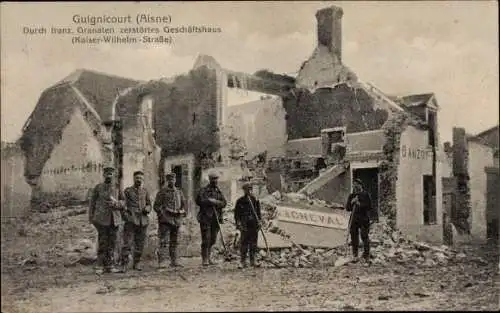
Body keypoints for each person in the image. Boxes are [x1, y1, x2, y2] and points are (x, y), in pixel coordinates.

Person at [89, 166, 125, 274]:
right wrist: (91, 218)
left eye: (111, 174)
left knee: (112, 243)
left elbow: (123, 202)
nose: (109, 176)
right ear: (103, 175)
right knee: (103, 242)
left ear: (114, 175)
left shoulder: (118, 188)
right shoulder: (98, 188)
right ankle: (100, 266)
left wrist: (117, 204)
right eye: (107, 174)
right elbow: (92, 204)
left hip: (114, 220)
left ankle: (110, 265)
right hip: (102, 219)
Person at [120, 171, 152, 272]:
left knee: (140, 243)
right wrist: (126, 216)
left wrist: (148, 208)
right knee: (128, 243)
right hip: (131, 220)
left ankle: (136, 263)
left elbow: (149, 204)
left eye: (140, 178)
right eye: (137, 178)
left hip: (143, 221)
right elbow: (122, 205)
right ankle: (124, 264)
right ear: (134, 179)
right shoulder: (128, 191)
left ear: (143, 180)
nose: (139, 180)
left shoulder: (145, 191)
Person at [154, 173, 187, 268]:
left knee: (175, 241)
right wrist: (162, 214)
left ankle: (174, 261)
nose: (171, 181)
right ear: (167, 181)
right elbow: (156, 206)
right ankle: (163, 261)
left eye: (173, 179)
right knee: (164, 241)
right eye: (169, 180)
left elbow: (184, 204)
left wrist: (182, 212)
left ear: (175, 180)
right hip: (165, 220)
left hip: (176, 220)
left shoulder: (179, 192)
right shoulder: (162, 192)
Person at [195, 170, 227, 266]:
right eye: (213, 179)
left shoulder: (218, 191)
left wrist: (215, 202)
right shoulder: (204, 190)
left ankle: (209, 257)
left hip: (216, 218)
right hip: (206, 218)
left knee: (213, 239)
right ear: (210, 180)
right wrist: (209, 201)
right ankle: (205, 259)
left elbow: (224, 203)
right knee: (206, 239)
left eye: (216, 179)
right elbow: (199, 200)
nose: (215, 181)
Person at [345, 179, 374, 264]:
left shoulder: (365, 195)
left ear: (360, 185)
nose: (355, 187)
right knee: (354, 237)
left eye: (356, 185)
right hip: (354, 218)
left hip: (363, 218)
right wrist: (351, 202)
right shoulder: (352, 195)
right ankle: (355, 255)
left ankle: (366, 255)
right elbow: (348, 208)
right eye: (354, 185)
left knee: (364, 236)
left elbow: (369, 206)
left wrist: (359, 204)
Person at [234, 183, 262, 269]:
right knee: (244, 244)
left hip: (253, 225)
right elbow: (236, 215)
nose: (249, 191)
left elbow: (258, 213)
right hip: (244, 225)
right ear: (244, 190)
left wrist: (259, 222)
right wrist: (238, 223)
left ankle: (252, 261)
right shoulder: (240, 201)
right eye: (247, 189)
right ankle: (242, 261)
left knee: (253, 244)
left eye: (250, 189)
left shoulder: (255, 200)